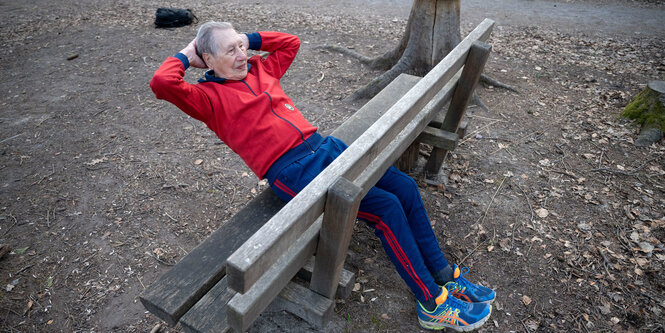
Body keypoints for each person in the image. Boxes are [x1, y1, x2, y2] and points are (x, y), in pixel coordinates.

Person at [150, 21, 495, 331]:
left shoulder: (260, 68)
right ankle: (431, 302)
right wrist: (187, 54)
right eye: (230, 50)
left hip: (326, 146)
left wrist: (248, 38)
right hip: (293, 170)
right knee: (386, 209)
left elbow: (290, 42)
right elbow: (162, 82)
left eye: (241, 46)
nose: (241, 54)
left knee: (403, 186)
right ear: (208, 61)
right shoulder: (206, 98)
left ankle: (444, 275)